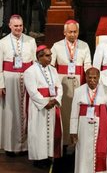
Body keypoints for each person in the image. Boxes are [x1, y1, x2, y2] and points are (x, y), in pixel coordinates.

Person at [70, 67, 107, 173]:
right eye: (90, 77)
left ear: (99, 78)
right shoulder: (79, 91)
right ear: (85, 77)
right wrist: (73, 131)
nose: (92, 80)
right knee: (84, 153)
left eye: (95, 78)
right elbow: (74, 112)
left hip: (102, 125)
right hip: (83, 126)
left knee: (102, 153)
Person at [51, 20, 92, 147]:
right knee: (65, 113)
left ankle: (76, 143)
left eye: (75, 32)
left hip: (79, 83)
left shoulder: (84, 45)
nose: (73, 34)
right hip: (62, 84)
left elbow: (87, 66)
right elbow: (51, 67)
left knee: (78, 112)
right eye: (70, 32)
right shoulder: (57, 46)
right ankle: (64, 142)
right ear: (64, 32)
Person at [0, 14, 36, 155]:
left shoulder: (31, 41)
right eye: (15, 26)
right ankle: (11, 146)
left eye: (20, 26)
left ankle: (25, 146)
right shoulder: (2, 42)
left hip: (27, 80)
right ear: (10, 26)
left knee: (26, 112)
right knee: (11, 113)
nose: (18, 28)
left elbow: (34, 63)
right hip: (10, 81)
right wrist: (1, 84)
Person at [24, 46, 63, 164]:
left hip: (52, 105)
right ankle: (38, 159)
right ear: (39, 57)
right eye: (47, 55)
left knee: (51, 132)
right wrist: (45, 103)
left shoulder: (53, 70)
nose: (50, 58)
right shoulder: (30, 71)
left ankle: (50, 155)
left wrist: (56, 99)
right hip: (39, 108)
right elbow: (32, 91)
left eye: (51, 55)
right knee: (38, 132)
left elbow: (59, 86)